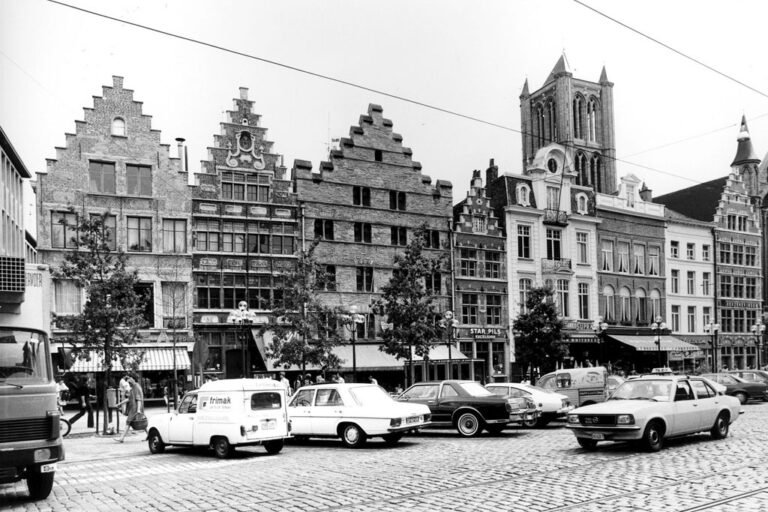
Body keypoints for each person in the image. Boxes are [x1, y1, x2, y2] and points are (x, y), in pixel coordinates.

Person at [115, 376, 144, 442]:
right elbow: (129, 399)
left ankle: (121, 438)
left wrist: (138, 410)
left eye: (129, 383)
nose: (129, 385)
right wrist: (120, 404)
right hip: (134, 408)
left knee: (129, 422)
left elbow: (138, 399)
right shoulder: (134, 387)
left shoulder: (136, 387)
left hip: (135, 408)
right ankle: (121, 438)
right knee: (140, 422)